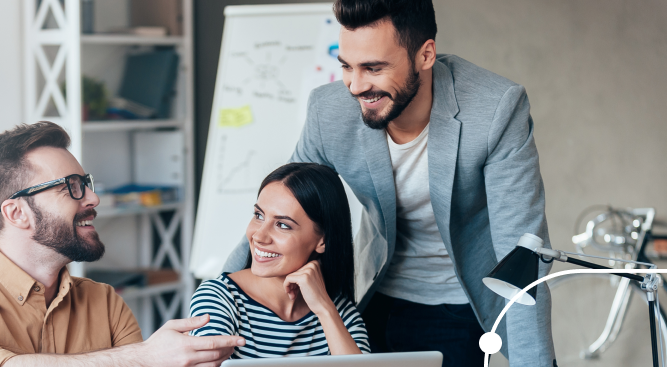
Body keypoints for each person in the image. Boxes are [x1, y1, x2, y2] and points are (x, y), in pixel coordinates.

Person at [223, 1, 556, 366]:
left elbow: (523, 253)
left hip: (462, 303)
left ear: (425, 54)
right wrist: (218, 296)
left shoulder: (494, 110)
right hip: (373, 292)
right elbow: (281, 207)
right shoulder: (329, 111)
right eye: (347, 67)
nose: (355, 85)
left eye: (374, 68)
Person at [0, 121, 244, 367]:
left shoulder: (105, 304)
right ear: (17, 213)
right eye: (71, 187)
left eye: (86, 183)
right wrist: (143, 357)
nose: (92, 197)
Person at [190, 163, 370, 358]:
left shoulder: (338, 311)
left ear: (322, 240)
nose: (259, 236)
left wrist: (324, 310)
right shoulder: (219, 298)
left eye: (283, 225)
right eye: (259, 215)